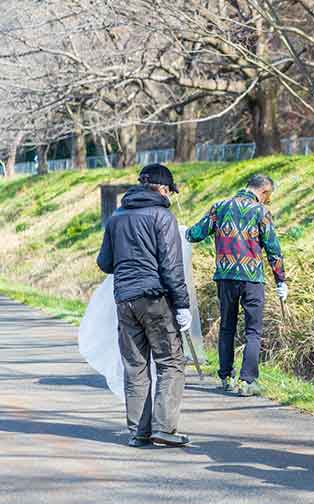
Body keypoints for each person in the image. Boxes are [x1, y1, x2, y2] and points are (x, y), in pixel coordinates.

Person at [96, 163, 192, 448]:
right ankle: (164, 428)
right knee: (170, 361)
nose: (170, 195)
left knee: (135, 366)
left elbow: (104, 263)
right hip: (156, 298)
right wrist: (183, 305)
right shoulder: (162, 216)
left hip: (124, 300)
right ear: (162, 188)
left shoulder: (117, 216)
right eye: (169, 190)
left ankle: (139, 431)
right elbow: (171, 266)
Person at [186, 174, 287, 397]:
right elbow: (273, 249)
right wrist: (281, 280)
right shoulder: (261, 212)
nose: (268, 200)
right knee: (253, 331)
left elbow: (195, 234)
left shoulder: (219, 207)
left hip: (225, 277)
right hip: (252, 279)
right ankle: (247, 382)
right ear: (264, 191)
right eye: (269, 196)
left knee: (227, 327)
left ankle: (225, 377)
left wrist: (183, 230)